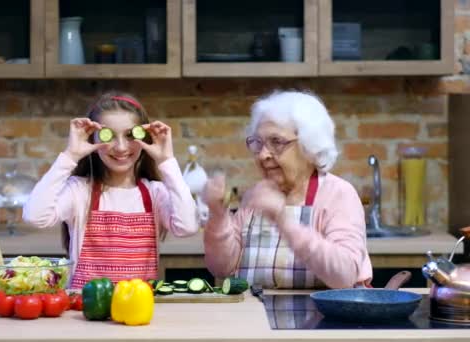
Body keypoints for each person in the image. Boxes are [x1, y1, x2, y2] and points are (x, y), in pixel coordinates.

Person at [23, 91, 198, 289]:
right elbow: (35, 216)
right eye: (110, 136)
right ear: (93, 140)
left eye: (130, 135)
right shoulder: (80, 191)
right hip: (84, 313)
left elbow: (188, 227)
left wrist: (167, 161)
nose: (121, 147)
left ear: (144, 137)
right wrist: (70, 155)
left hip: (136, 312)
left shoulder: (155, 192)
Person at [202, 90, 372, 289]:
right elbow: (221, 268)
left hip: (321, 319)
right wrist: (217, 215)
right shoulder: (257, 196)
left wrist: (284, 221)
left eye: (276, 142)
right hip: (256, 318)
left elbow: (344, 276)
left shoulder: (338, 194)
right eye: (258, 143)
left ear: (309, 145)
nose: (263, 155)